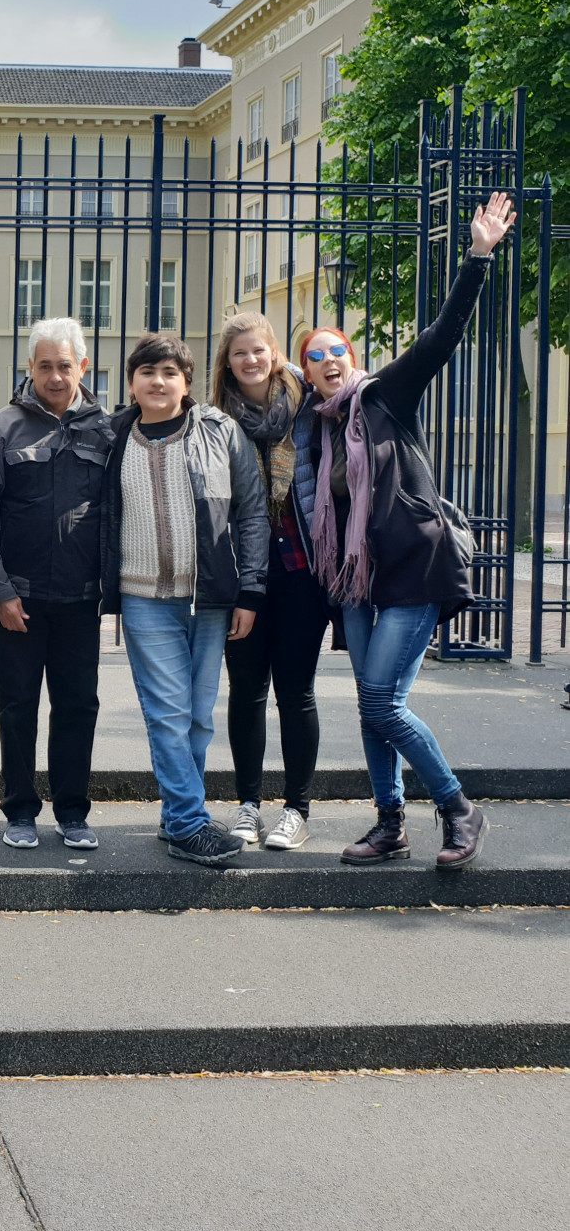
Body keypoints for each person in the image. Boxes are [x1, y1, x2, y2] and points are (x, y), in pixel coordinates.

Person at [296, 191, 517, 870]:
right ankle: (390, 823)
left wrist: (477, 257)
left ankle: (457, 808)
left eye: (337, 350)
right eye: (315, 355)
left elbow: (441, 336)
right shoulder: (316, 429)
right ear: (304, 372)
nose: (330, 360)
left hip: (414, 572)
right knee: (372, 709)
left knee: (382, 703)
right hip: (358, 584)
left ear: (352, 356)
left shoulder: (384, 394)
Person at [101, 333, 268, 868]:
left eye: (170, 372)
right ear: (132, 382)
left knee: (198, 717)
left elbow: (253, 512)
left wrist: (251, 589)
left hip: (210, 597)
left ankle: (177, 816)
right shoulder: (111, 437)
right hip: (144, 597)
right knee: (169, 714)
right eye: (147, 372)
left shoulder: (220, 431)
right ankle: (191, 822)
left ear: (187, 383)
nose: (158, 381)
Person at [0, 317, 112, 851]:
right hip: (20, 599)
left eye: (65, 365)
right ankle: (20, 811)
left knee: (78, 707)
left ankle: (73, 811)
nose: (56, 377)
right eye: (45, 366)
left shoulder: (106, 429)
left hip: (81, 599)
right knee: (18, 708)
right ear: (30, 368)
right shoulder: (3, 426)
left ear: (82, 366)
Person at [211, 313, 334, 851]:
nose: (251, 361)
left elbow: (354, 384)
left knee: (296, 693)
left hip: (301, 574)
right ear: (228, 363)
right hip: (243, 577)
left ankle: (296, 809)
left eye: (259, 350)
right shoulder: (217, 422)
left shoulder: (309, 405)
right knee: (245, 693)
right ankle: (248, 805)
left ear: (274, 352)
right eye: (240, 353)